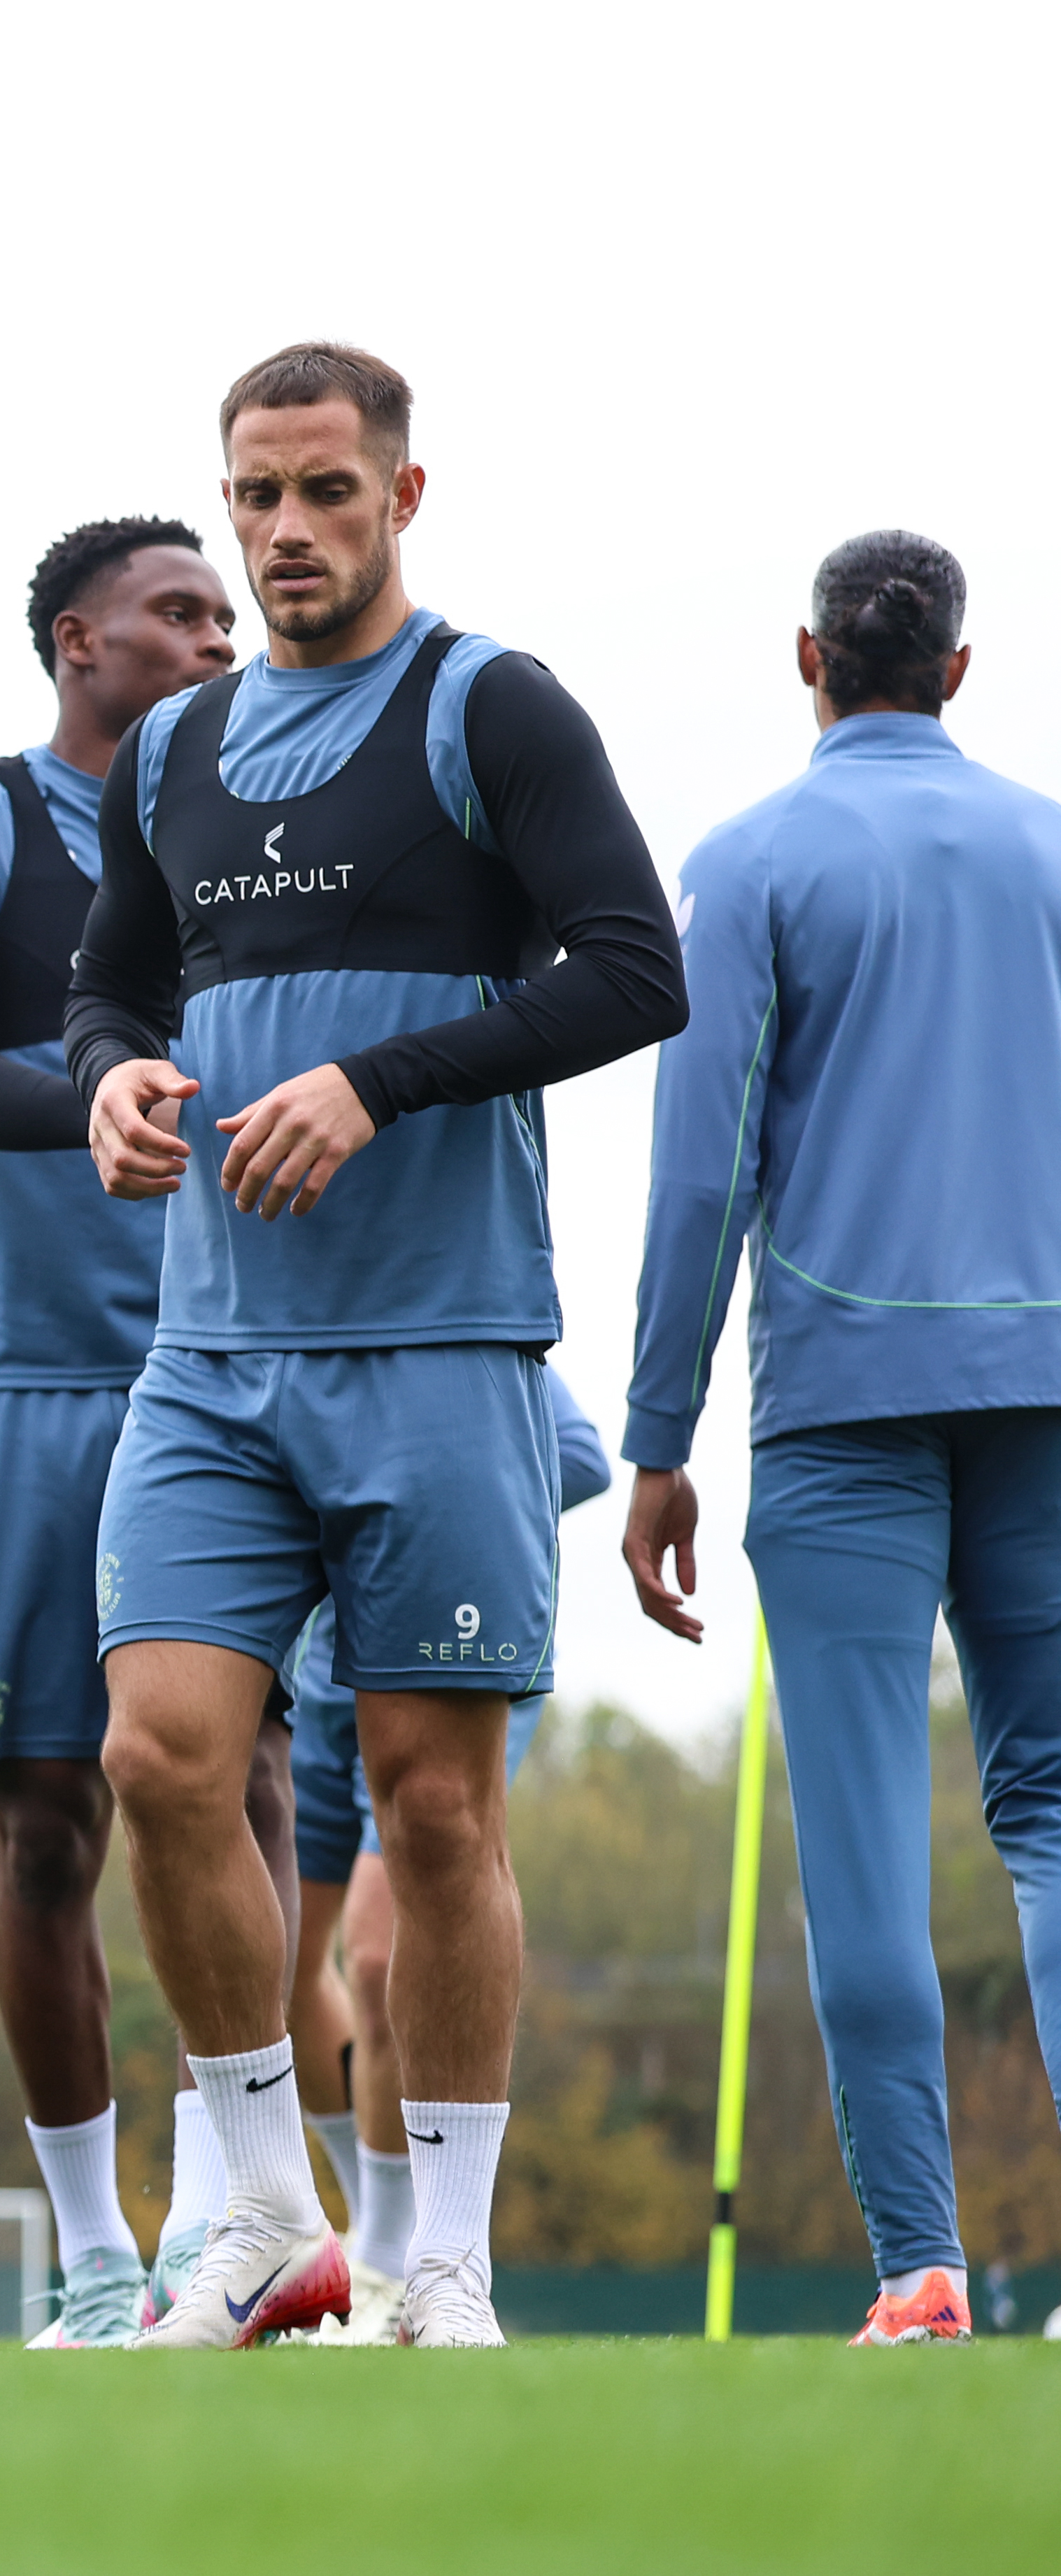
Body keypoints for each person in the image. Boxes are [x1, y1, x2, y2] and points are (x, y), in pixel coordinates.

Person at [66, 340, 684, 2349]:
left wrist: (375, 1082)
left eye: (324, 493)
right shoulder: (165, 754)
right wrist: (107, 1083)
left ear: (398, 498)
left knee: (432, 1810)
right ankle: (257, 2204)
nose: (283, 533)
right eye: (254, 495)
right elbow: (106, 986)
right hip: (210, 1360)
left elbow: (628, 968)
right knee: (156, 1753)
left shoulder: (486, 705)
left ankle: (445, 2258)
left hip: (440, 1347)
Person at [623, 531, 1061, 2347]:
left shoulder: (743, 863)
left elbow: (697, 1168)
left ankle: (920, 2266)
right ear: (956, 668)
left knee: (865, 1844)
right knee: (1050, 1816)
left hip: (838, 1419)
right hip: (1046, 1390)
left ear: (809, 658)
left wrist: (655, 1435)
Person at [0, 518, 261, 2347]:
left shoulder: (261, 836)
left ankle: (243, 2221)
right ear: (71, 636)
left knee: (239, 1792)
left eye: (225, 617)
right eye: (177, 611)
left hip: (231, 1358)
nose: (212, 636)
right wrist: (99, 1089)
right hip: (28, 1373)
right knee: (45, 1823)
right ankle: (95, 2254)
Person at [279, 1365, 608, 2342]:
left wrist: (425, 1504)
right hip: (312, 1663)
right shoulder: (279, 1336)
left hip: (432, 1642)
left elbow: (582, 1457)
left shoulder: (456, 1337)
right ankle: (367, 2211)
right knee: (288, 1963)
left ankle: (388, 2253)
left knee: (377, 1955)